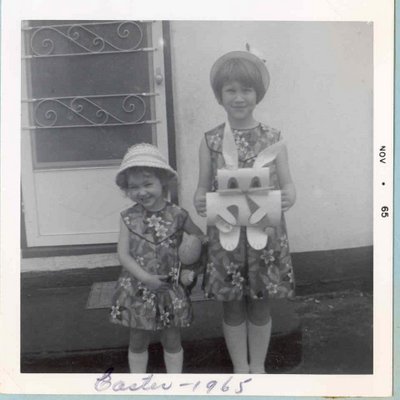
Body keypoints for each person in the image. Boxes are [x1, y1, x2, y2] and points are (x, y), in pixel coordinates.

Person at [194, 47, 296, 374]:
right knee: (232, 304)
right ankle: (241, 368)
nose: (239, 98)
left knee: (261, 302)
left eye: (246, 90)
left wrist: (287, 197)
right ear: (220, 97)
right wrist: (199, 199)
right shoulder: (210, 140)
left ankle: (259, 367)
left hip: (264, 234)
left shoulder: (273, 137)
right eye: (231, 90)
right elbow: (201, 188)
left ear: (258, 95)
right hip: (226, 233)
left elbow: (290, 186)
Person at [110, 143, 204, 373]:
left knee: (171, 339)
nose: (141, 192)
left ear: (163, 182)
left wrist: (190, 264)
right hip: (139, 287)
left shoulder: (179, 215)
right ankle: (138, 385)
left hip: (169, 288)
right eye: (133, 187)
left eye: (148, 184)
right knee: (138, 338)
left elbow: (199, 237)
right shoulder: (128, 217)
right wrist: (145, 277)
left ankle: (174, 385)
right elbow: (123, 254)